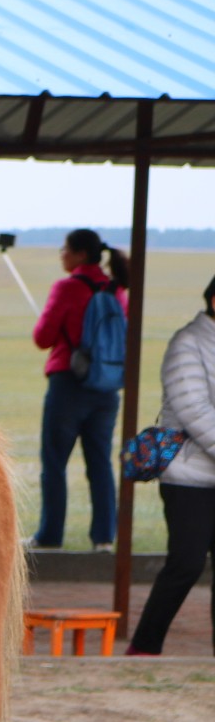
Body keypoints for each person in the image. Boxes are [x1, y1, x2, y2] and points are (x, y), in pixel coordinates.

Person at [126, 274, 215, 655]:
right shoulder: (188, 343)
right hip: (189, 477)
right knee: (186, 564)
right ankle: (144, 647)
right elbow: (193, 410)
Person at [30, 228, 133, 550]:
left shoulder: (67, 288)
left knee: (55, 462)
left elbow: (42, 337)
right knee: (100, 463)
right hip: (106, 388)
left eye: (65, 249)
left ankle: (50, 536)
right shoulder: (116, 290)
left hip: (69, 384)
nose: (61, 254)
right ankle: (103, 538)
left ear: (80, 254)